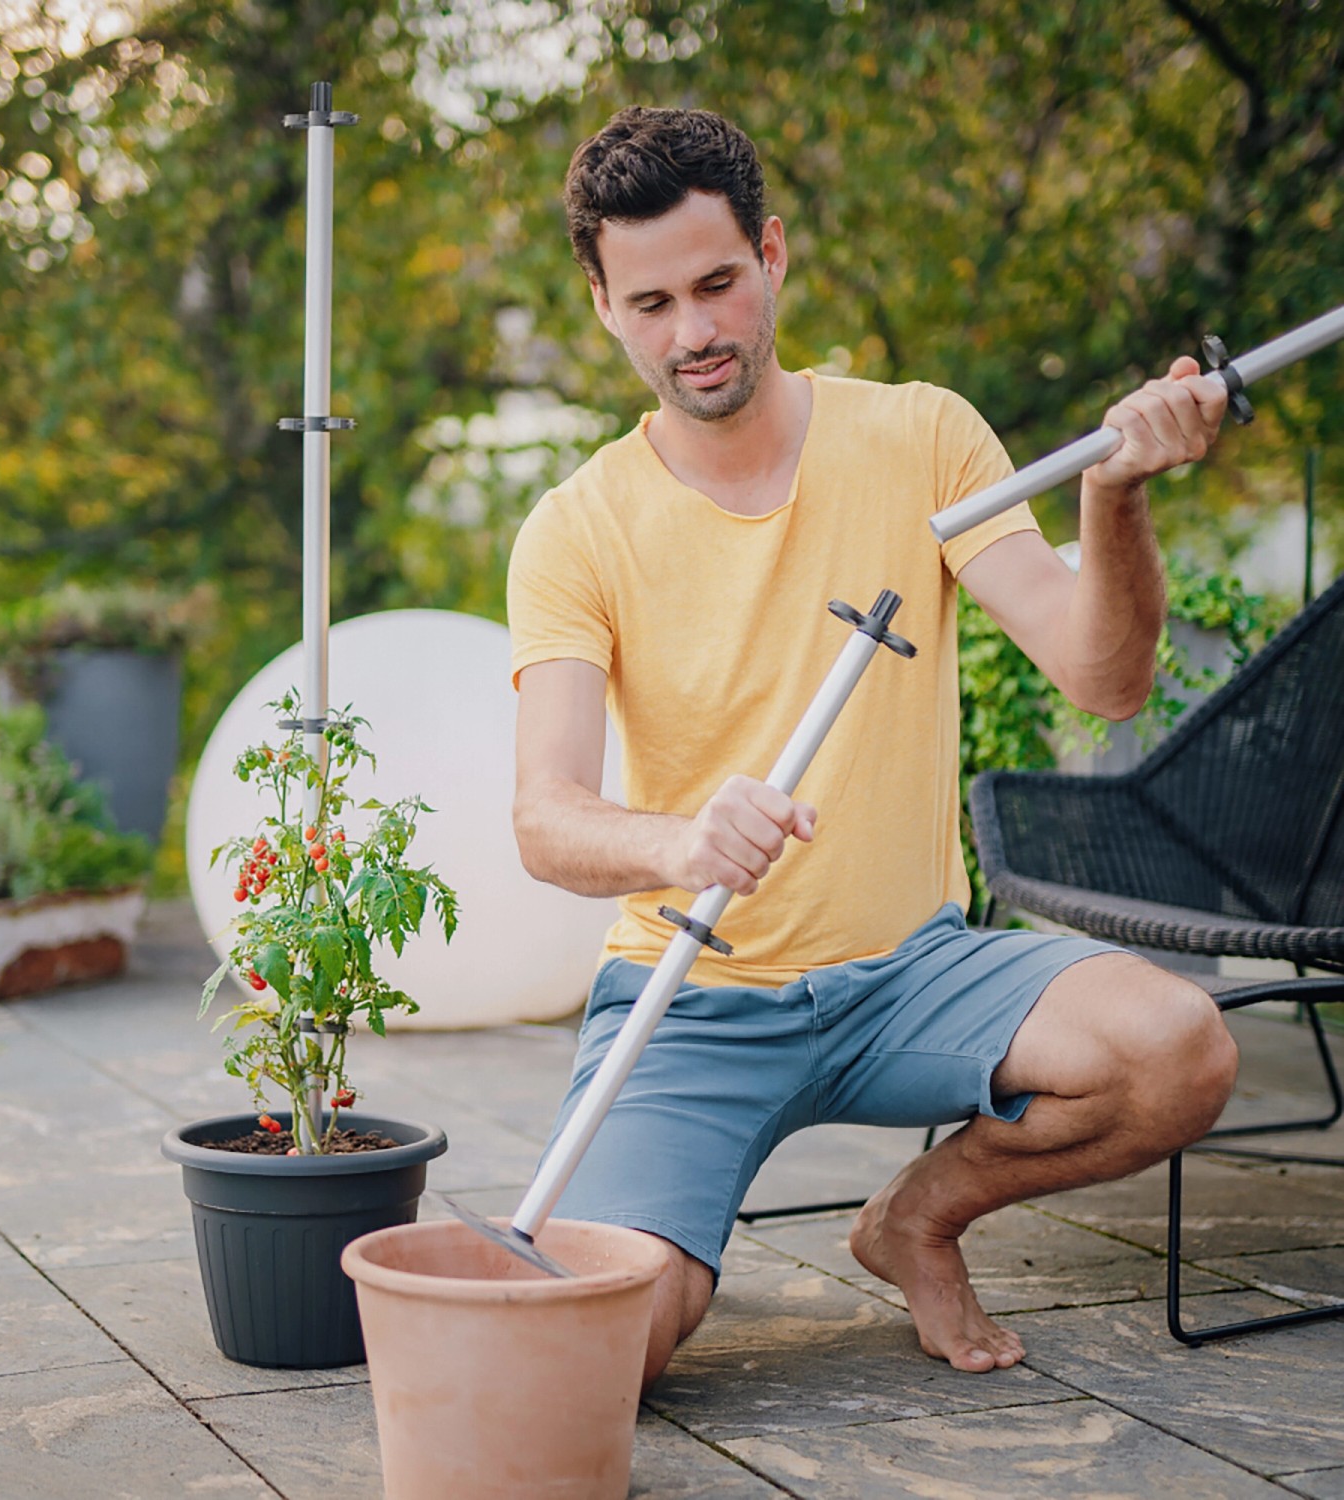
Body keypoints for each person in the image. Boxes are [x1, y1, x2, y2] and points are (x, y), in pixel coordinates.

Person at [505, 105, 1238, 1389]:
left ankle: (919, 1219)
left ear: (773, 255)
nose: (698, 334)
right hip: (692, 998)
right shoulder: (576, 530)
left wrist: (1111, 501)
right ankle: (659, 1253)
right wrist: (680, 837)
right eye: (655, 303)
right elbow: (546, 818)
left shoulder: (923, 437)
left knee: (1179, 1049)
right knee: (603, 1340)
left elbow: (1105, 678)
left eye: (721, 284)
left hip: (912, 970)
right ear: (603, 305)